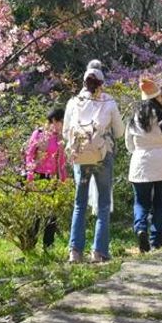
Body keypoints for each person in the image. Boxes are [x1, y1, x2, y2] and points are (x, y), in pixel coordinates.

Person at [64, 59, 125, 263]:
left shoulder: (73, 102)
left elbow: (66, 132)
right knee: (104, 203)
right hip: (102, 155)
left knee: (79, 203)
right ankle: (98, 252)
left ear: (84, 82)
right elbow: (119, 132)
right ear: (102, 82)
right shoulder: (109, 102)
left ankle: (75, 251)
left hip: (80, 157)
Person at [125, 75, 162, 253]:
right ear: (157, 97)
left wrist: (140, 150)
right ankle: (156, 240)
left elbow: (129, 144)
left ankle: (140, 228)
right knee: (160, 203)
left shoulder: (135, 117)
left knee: (141, 202)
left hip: (141, 162)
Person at [24, 106, 69, 250]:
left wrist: (64, 181)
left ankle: (48, 246)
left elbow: (62, 161)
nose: (62, 126)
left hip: (53, 177)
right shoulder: (39, 134)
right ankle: (30, 245)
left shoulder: (60, 138)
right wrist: (30, 178)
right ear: (54, 121)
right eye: (62, 122)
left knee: (52, 213)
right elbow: (29, 155)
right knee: (36, 213)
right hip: (38, 175)